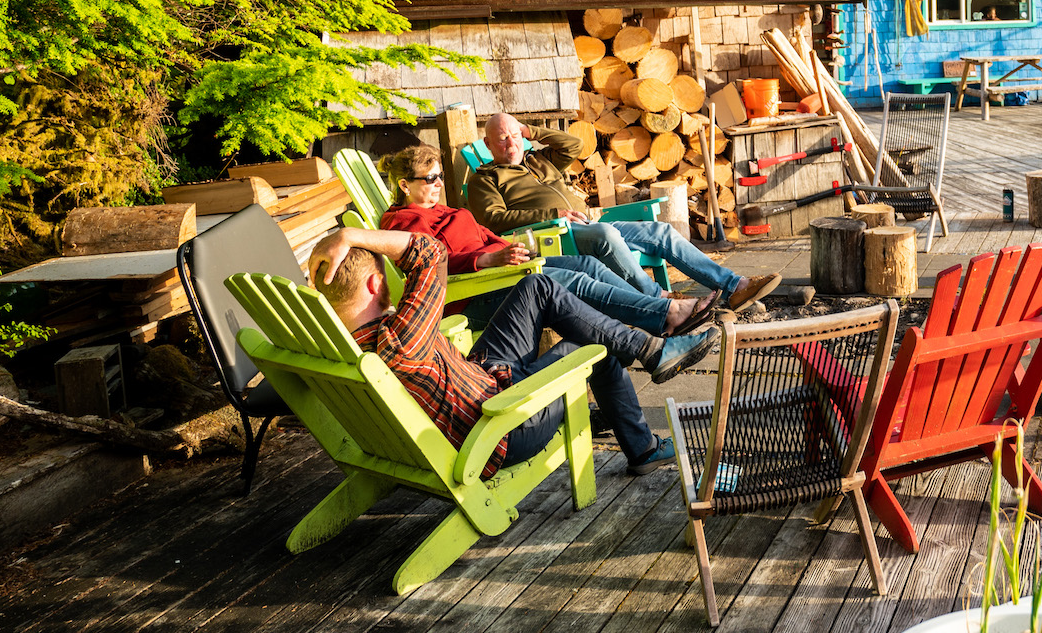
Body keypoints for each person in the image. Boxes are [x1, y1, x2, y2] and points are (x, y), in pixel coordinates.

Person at [307, 226, 699, 478]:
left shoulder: (328, 344)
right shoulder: (402, 339)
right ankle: (643, 440)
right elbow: (429, 253)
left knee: (536, 288)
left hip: (478, 386)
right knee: (593, 343)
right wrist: (352, 236)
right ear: (377, 284)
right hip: (504, 425)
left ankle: (650, 350)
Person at [376, 145, 714, 337]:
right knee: (572, 280)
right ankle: (664, 313)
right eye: (430, 178)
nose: (438, 184)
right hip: (476, 291)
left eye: (440, 176)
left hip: (509, 269)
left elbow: (484, 234)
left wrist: (507, 248)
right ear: (405, 185)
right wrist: (487, 260)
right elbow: (431, 264)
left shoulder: (442, 209)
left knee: (588, 264)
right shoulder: (401, 224)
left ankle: (655, 315)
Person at [466, 113, 779, 316]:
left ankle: (735, 286)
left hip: (584, 222)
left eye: (515, 135)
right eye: (503, 137)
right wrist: (555, 213)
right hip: (553, 233)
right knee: (606, 234)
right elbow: (494, 219)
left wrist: (529, 129)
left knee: (661, 232)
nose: (512, 143)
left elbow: (574, 145)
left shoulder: (539, 160)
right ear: (488, 144)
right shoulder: (485, 178)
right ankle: (659, 300)